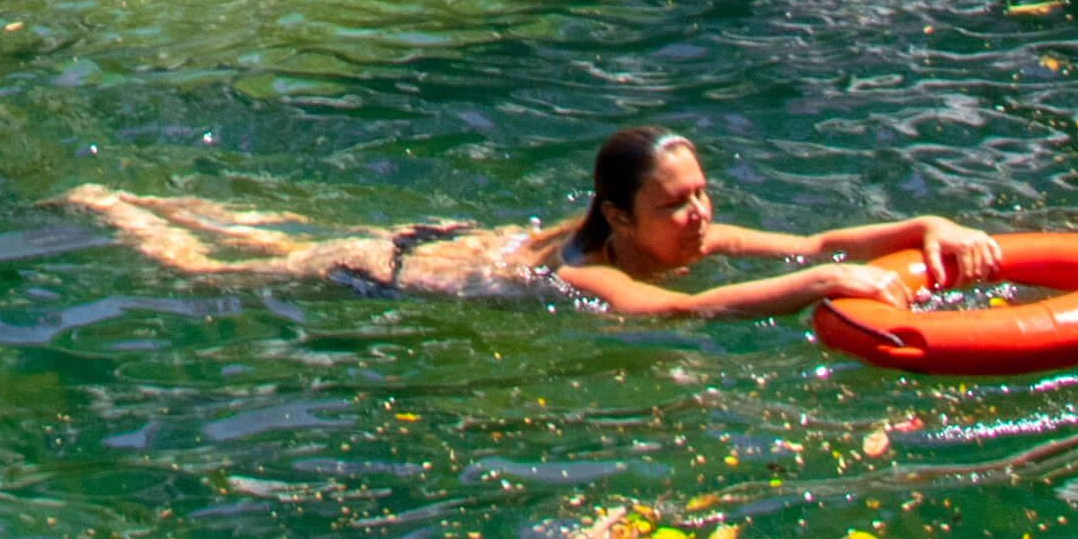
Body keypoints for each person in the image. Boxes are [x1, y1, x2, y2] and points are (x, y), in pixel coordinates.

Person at [64, 127, 1005, 318]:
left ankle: (158, 197)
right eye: (676, 203)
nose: (701, 213)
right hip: (387, 268)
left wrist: (927, 224)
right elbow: (681, 315)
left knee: (267, 228)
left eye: (702, 194)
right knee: (215, 271)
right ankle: (110, 205)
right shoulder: (593, 274)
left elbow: (821, 242)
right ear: (618, 217)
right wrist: (820, 290)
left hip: (448, 232)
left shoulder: (690, 240)